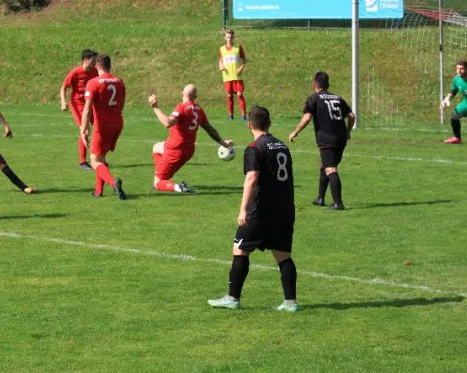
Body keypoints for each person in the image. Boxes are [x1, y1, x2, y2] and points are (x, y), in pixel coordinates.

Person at [208, 106, 298, 312]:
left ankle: (232, 298)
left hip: (261, 210)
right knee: (283, 255)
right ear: (269, 124)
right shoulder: (282, 145)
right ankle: (291, 302)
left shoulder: (254, 148)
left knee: (240, 249)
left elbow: (252, 178)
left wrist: (243, 210)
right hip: (284, 209)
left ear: (249, 125)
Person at [148, 85, 233, 193]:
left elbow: (167, 123)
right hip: (188, 150)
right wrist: (223, 142)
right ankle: (162, 175)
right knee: (156, 147)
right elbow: (209, 129)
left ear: (182, 94)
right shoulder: (198, 110)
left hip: (175, 149)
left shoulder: (181, 107)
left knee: (158, 183)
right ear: (195, 97)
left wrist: (155, 106)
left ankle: (178, 187)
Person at [289, 71, 355, 210]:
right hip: (341, 138)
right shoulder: (338, 98)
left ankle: (338, 203)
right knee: (323, 164)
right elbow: (351, 115)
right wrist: (348, 131)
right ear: (328, 84)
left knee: (330, 168)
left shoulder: (314, 98)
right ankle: (320, 198)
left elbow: (307, 118)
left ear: (314, 85)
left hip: (327, 139)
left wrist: (295, 132)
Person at [80, 54, 127, 199]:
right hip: (117, 123)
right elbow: (122, 104)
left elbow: (87, 109)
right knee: (101, 157)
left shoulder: (94, 82)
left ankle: (113, 183)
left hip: (103, 126)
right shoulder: (119, 81)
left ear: (97, 66)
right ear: (110, 65)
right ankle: (98, 191)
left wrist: (84, 128)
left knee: (94, 160)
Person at [60, 49, 99, 169]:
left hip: (91, 103)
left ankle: (97, 158)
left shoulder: (95, 72)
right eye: (93, 61)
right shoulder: (75, 73)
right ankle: (83, 162)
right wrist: (63, 102)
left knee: (99, 128)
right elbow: (64, 87)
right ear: (85, 60)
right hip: (78, 104)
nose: (94, 63)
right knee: (85, 130)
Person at [440, 60, 467, 144]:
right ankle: (457, 138)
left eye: (462, 69)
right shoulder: (456, 79)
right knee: (454, 117)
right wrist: (447, 99)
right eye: (457, 68)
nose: (459, 71)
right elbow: (453, 91)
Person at [219, 29, 247, 120]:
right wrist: (221, 66)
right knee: (230, 95)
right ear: (225, 38)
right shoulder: (222, 49)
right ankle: (230, 115)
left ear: (233, 37)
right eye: (228, 37)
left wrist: (241, 68)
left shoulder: (238, 48)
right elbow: (220, 60)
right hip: (227, 77)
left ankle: (243, 115)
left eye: (231, 37)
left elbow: (244, 60)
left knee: (239, 94)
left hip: (237, 76)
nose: (229, 39)